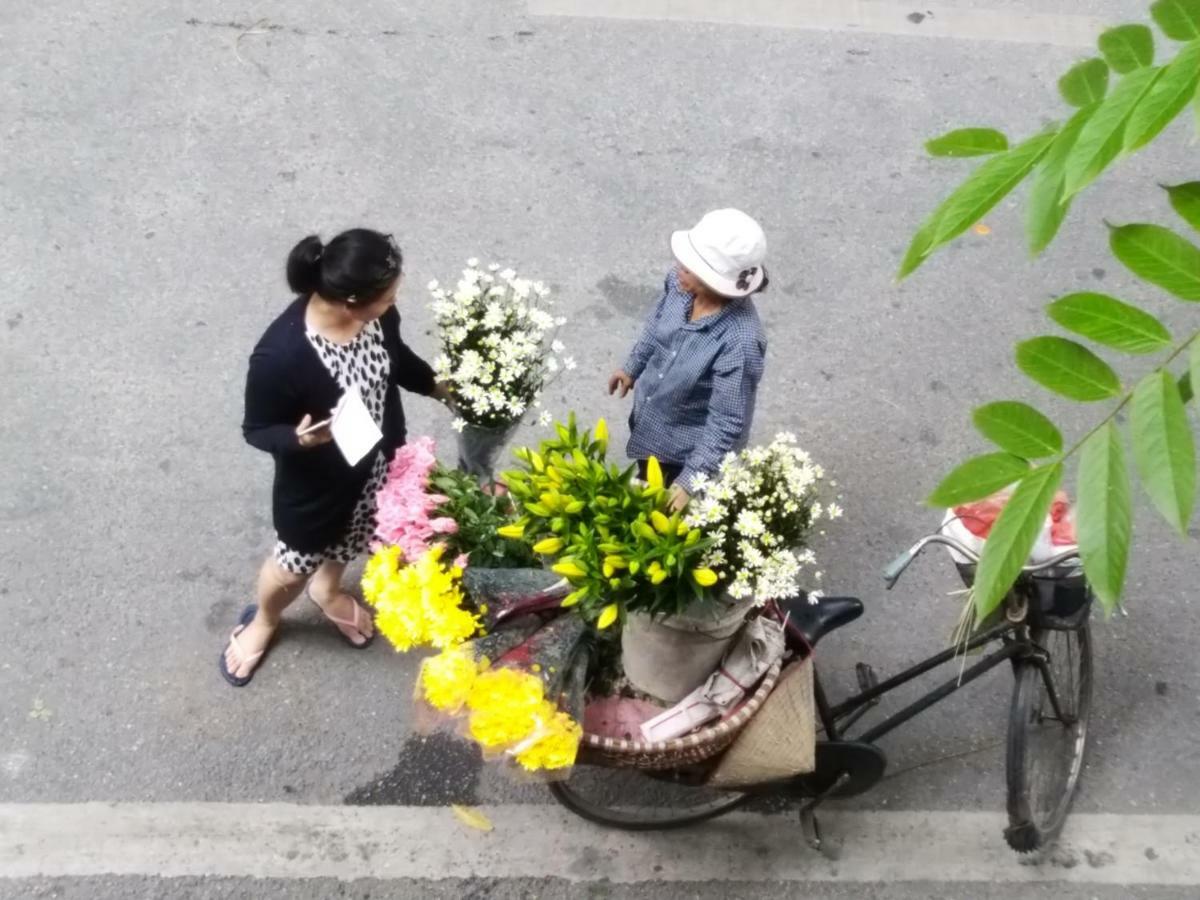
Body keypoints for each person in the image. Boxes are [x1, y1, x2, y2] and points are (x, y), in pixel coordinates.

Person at [221, 228, 452, 686]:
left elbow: (397, 359)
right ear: (350, 300)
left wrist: (440, 388)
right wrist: (298, 440)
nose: (393, 303)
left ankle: (327, 590)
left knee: (356, 538)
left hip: (377, 467)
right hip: (318, 488)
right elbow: (257, 429)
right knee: (291, 567)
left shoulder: (377, 318)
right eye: (386, 297)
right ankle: (265, 619)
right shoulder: (279, 355)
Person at [608, 209, 768, 512]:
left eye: (691, 266)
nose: (679, 267)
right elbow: (656, 327)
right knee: (646, 485)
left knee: (664, 518)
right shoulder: (679, 284)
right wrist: (633, 366)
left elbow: (726, 421)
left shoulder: (740, 341)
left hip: (686, 451)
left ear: (714, 281)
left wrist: (689, 481)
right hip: (652, 420)